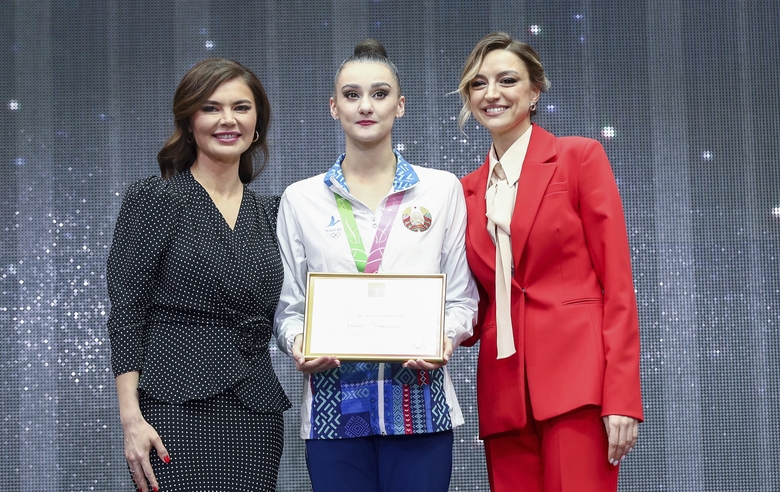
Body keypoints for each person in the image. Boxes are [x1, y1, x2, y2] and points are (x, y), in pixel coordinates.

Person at [273, 39, 478, 492]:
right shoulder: (301, 198)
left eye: (380, 94)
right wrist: (298, 343)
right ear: (334, 107)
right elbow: (289, 307)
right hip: (333, 409)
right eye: (351, 95)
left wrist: (444, 339)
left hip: (420, 405)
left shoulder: (441, 191)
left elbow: (462, 299)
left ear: (400, 106)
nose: (366, 106)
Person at [456, 32, 643, 492]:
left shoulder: (578, 158)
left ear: (535, 91)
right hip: (504, 396)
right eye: (479, 84)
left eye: (507, 80)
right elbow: (473, 303)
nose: (492, 94)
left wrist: (621, 397)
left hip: (577, 387)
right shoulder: (464, 191)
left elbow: (617, 286)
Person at [106, 58, 290, 492]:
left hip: (255, 413)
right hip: (172, 407)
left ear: (256, 121)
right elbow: (127, 312)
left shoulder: (277, 212)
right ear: (189, 122)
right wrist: (131, 419)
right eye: (211, 108)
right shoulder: (154, 198)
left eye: (241, 107)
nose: (227, 120)